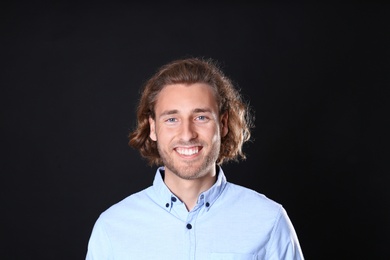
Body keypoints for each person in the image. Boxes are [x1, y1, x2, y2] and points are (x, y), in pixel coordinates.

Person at [86, 57, 304, 259]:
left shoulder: (269, 220)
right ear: (153, 128)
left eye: (201, 117)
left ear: (223, 124)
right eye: (172, 119)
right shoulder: (112, 228)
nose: (187, 134)